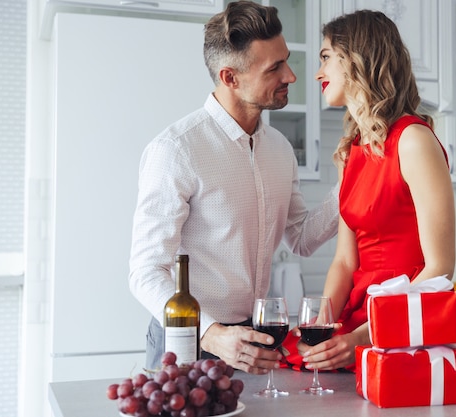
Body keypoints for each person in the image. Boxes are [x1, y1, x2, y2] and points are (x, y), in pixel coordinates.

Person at [129, 0, 339, 375]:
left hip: (253, 340)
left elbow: (300, 238)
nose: (291, 76)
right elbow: (145, 272)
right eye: (274, 68)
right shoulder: (176, 150)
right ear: (230, 78)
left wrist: (352, 182)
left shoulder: (278, 148)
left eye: (286, 60)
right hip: (189, 342)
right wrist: (211, 335)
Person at [282, 9, 455, 372]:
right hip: (358, 318)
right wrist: (320, 326)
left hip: (400, 325)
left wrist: (364, 336)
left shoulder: (413, 141)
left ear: (358, 59)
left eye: (326, 57)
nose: (318, 73)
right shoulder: (352, 151)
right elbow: (346, 261)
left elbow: (439, 268)